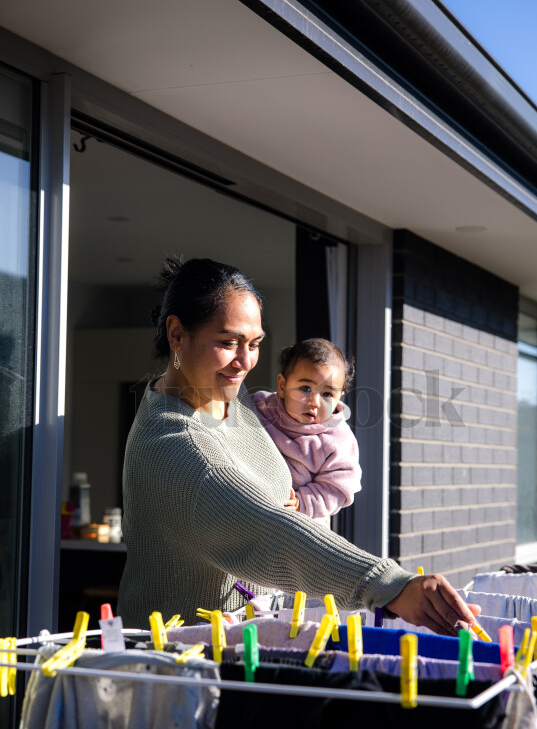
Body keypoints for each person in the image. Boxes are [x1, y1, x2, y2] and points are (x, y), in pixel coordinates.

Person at [117, 256, 479, 633]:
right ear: (176, 334)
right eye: (228, 342)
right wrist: (388, 585)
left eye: (254, 344)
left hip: (248, 642)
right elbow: (268, 530)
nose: (244, 362)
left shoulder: (230, 399)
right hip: (184, 662)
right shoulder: (176, 442)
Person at [252, 338, 361, 526]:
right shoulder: (261, 406)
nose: (315, 402)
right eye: (305, 388)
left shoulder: (337, 440)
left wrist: (302, 503)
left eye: (327, 394)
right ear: (282, 386)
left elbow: (338, 486)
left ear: (339, 398)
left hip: (305, 523)